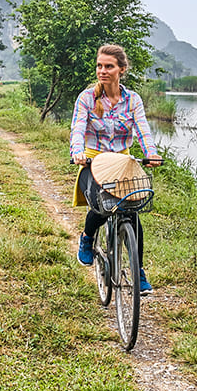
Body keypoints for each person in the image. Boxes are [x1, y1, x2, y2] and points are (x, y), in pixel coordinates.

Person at [70, 44, 162, 294]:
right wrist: (77, 152)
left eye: (109, 66)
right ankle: (87, 238)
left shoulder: (133, 100)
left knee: (132, 212)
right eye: (100, 66)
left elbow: (143, 129)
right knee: (101, 206)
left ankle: (138, 271)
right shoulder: (87, 98)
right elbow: (77, 129)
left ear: (122, 70)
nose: (103, 71)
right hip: (93, 161)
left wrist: (150, 153)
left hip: (121, 162)